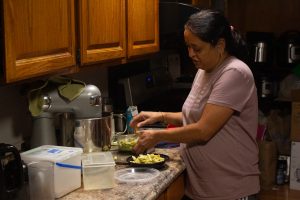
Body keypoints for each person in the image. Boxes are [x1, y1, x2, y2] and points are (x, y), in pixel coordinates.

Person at [130, 9, 260, 200]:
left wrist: (157, 135)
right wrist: (161, 116)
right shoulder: (204, 70)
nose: (191, 54)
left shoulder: (234, 73)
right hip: (202, 188)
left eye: (197, 48)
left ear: (220, 45)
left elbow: (203, 129)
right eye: (188, 47)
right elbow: (198, 115)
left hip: (230, 190)